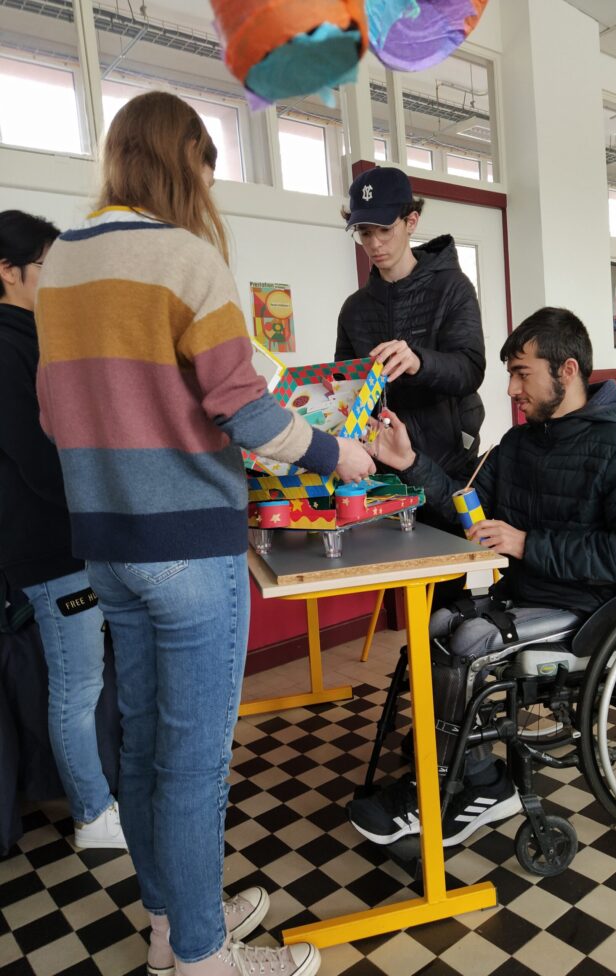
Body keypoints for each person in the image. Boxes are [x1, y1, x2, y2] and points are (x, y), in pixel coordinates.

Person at [34, 92, 373, 976]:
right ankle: (203, 955)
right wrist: (339, 453)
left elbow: (53, 414)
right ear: (184, 160)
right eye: (207, 170)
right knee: (192, 766)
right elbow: (244, 411)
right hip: (189, 548)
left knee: (144, 748)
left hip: (106, 549)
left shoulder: (59, 265)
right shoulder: (187, 256)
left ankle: (170, 920)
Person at [347, 306, 616, 848]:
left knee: (470, 643)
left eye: (522, 374)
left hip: (592, 609)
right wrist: (407, 461)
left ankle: (458, 789)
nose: (511, 390)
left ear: (567, 370)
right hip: (525, 594)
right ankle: (472, 774)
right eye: (510, 374)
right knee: (436, 625)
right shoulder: (521, 444)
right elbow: (466, 511)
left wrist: (527, 543)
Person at [0, 209, 126, 851]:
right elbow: (38, 458)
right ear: (8, 271)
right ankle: (92, 814)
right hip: (49, 550)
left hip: (67, 542)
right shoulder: (8, 348)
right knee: (77, 689)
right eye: (45, 266)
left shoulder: (33, 337)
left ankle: (100, 800)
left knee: (87, 683)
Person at [335, 165, 486, 516]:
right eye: (364, 233)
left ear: (411, 221)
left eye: (385, 229)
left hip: (450, 464)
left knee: (453, 550)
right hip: (379, 473)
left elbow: (471, 369)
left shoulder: (453, 288)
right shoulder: (354, 309)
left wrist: (420, 362)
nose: (374, 243)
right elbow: (344, 388)